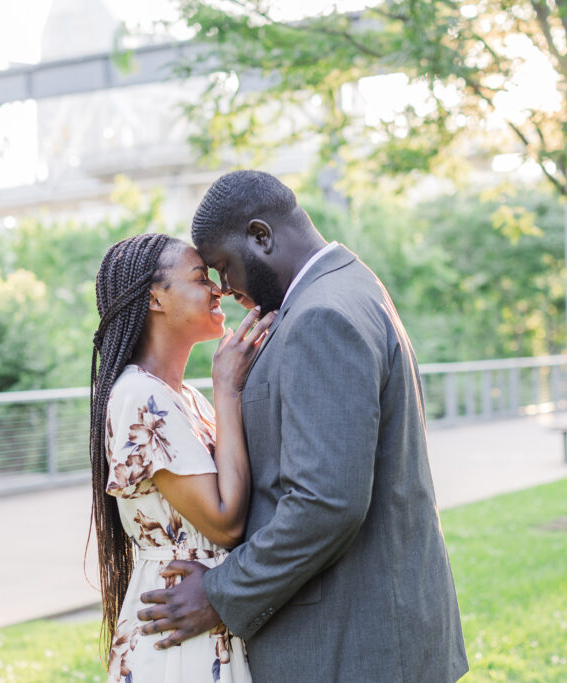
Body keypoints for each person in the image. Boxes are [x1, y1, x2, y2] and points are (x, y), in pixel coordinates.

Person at [136, 171, 469, 682]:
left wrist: (221, 593)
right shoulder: (346, 287)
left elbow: (325, 503)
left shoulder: (321, 316)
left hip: (354, 645)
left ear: (261, 236)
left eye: (224, 267)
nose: (225, 289)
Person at [88, 232, 275, 682]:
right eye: (200, 278)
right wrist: (227, 388)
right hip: (177, 625)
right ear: (155, 298)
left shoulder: (181, 396)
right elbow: (226, 521)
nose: (219, 289)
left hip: (203, 610)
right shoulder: (139, 396)